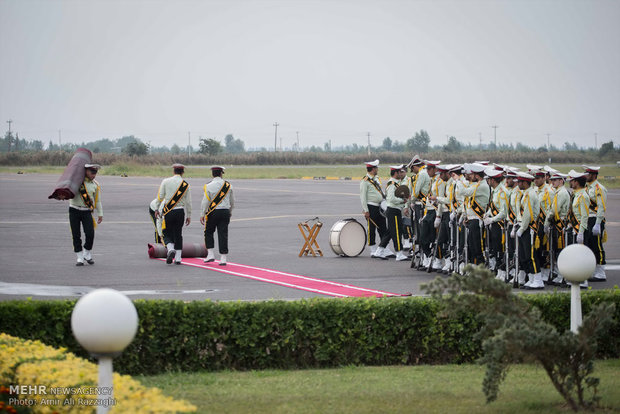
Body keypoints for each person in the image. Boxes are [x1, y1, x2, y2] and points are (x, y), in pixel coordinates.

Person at [153, 163, 192, 264]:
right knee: (178, 234)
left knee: (166, 232)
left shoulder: (165, 181)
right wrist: (189, 215)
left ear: (173, 171)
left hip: (169, 212)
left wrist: (157, 209)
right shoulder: (185, 185)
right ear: (182, 172)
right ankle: (178, 258)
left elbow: (160, 197)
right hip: (180, 212)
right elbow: (188, 202)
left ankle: (170, 249)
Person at [512, 172, 542, 289]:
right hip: (523, 227)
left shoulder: (530, 194)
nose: (518, 184)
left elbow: (527, 215)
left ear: (525, 182)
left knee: (531, 255)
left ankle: (538, 280)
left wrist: (522, 228)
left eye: (519, 182)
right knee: (524, 255)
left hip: (529, 228)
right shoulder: (525, 194)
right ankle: (531, 278)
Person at [69, 163, 103, 266]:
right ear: (85, 171)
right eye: (92, 172)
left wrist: (100, 213)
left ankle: (86, 253)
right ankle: (79, 257)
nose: (94, 175)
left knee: (90, 234)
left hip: (86, 211)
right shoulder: (76, 182)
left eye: (95, 172)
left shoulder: (95, 185)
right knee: (76, 235)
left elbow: (97, 201)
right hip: (74, 210)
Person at [200, 166, 234, 265]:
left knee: (208, 231)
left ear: (212, 174)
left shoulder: (208, 186)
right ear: (221, 173)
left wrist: (202, 213)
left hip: (213, 212)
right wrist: (230, 211)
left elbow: (205, 202)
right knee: (223, 234)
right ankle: (223, 258)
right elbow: (232, 201)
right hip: (225, 212)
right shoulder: (228, 185)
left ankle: (210, 254)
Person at [460, 163, 490, 266]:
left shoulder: (482, 186)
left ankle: (480, 268)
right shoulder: (478, 185)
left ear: (477, 175)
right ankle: (473, 266)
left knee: (478, 246)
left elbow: (464, 192)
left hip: (478, 219)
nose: (470, 176)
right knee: (471, 245)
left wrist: (458, 180)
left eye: (472, 175)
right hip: (472, 219)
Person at [377, 165, 408, 261]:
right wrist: (402, 201)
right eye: (399, 172)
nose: (400, 174)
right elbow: (391, 198)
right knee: (397, 232)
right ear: (396, 173)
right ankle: (399, 253)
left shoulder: (395, 183)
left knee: (390, 232)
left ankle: (379, 250)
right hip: (393, 210)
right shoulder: (392, 184)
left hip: (394, 210)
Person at [544, 172, 570, 286]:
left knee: (560, 251)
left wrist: (546, 222)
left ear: (561, 181)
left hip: (560, 225)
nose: (552, 181)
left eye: (555, 180)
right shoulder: (558, 192)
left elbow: (554, 210)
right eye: (552, 180)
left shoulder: (562, 193)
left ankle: (562, 275)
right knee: (555, 250)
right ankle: (559, 274)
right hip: (556, 224)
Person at [359, 159, 389, 257]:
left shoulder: (377, 178)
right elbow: (362, 196)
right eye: (376, 168)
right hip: (371, 207)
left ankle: (384, 248)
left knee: (383, 228)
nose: (377, 169)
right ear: (372, 169)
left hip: (379, 207)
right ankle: (373, 249)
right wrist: (366, 210)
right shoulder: (365, 181)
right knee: (371, 229)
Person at [583, 165, 608, 282]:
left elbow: (601, 207)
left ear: (594, 175)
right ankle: (593, 269)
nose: (586, 176)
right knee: (589, 245)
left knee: (597, 245)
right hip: (588, 219)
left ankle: (601, 271)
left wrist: (598, 223)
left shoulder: (599, 188)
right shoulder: (587, 188)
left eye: (588, 174)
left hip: (595, 219)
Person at [483, 168, 509, 279]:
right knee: (494, 248)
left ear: (493, 180)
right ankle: (497, 270)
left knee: (500, 249)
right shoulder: (495, 191)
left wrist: (492, 219)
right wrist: (487, 214)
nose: (487, 181)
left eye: (488, 179)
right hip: (494, 224)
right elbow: (494, 207)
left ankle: (502, 271)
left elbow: (503, 212)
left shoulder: (502, 192)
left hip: (500, 225)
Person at [567, 170, 590, 288]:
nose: (570, 183)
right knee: (575, 255)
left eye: (572, 181)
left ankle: (584, 279)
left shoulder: (583, 196)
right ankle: (577, 277)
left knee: (582, 256)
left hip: (579, 230)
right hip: (574, 228)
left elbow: (584, 216)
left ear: (577, 182)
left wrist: (581, 232)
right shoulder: (576, 194)